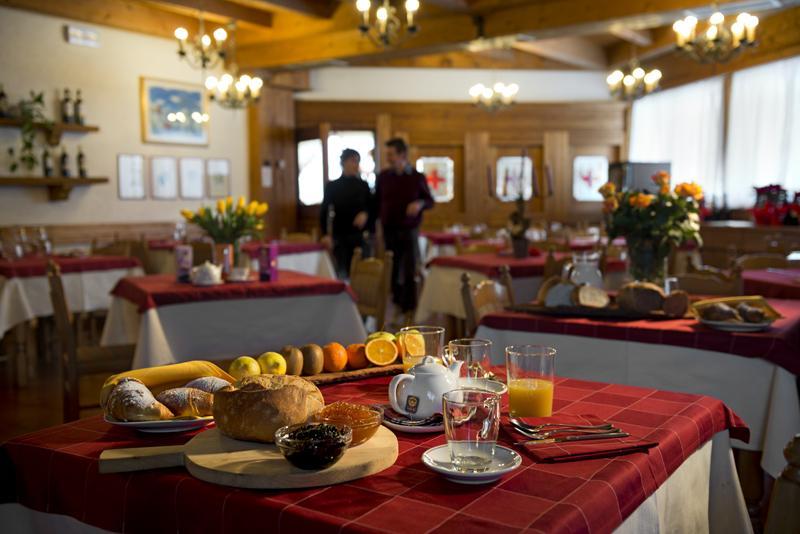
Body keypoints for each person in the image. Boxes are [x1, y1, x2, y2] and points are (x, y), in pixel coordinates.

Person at [374, 138, 434, 315]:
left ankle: (410, 309)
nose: (388, 158)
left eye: (391, 154)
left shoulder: (416, 177)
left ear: (402, 155)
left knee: (409, 269)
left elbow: (430, 201)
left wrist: (420, 203)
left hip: (409, 230)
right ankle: (397, 304)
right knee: (392, 269)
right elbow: (376, 203)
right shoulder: (383, 177)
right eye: (387, 155)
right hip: (389, 229)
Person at [319, 148, 372, 278]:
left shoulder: (363, 185)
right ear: (344, 163)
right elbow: (324, 211)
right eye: (353, 161)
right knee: (341, 274)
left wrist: (365, 214)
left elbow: (372, 207)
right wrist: (326, 234)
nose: (356, 164)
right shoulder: (332, 186)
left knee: (362, 275)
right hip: (340, 237)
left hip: (360, 237)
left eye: (357, 161)